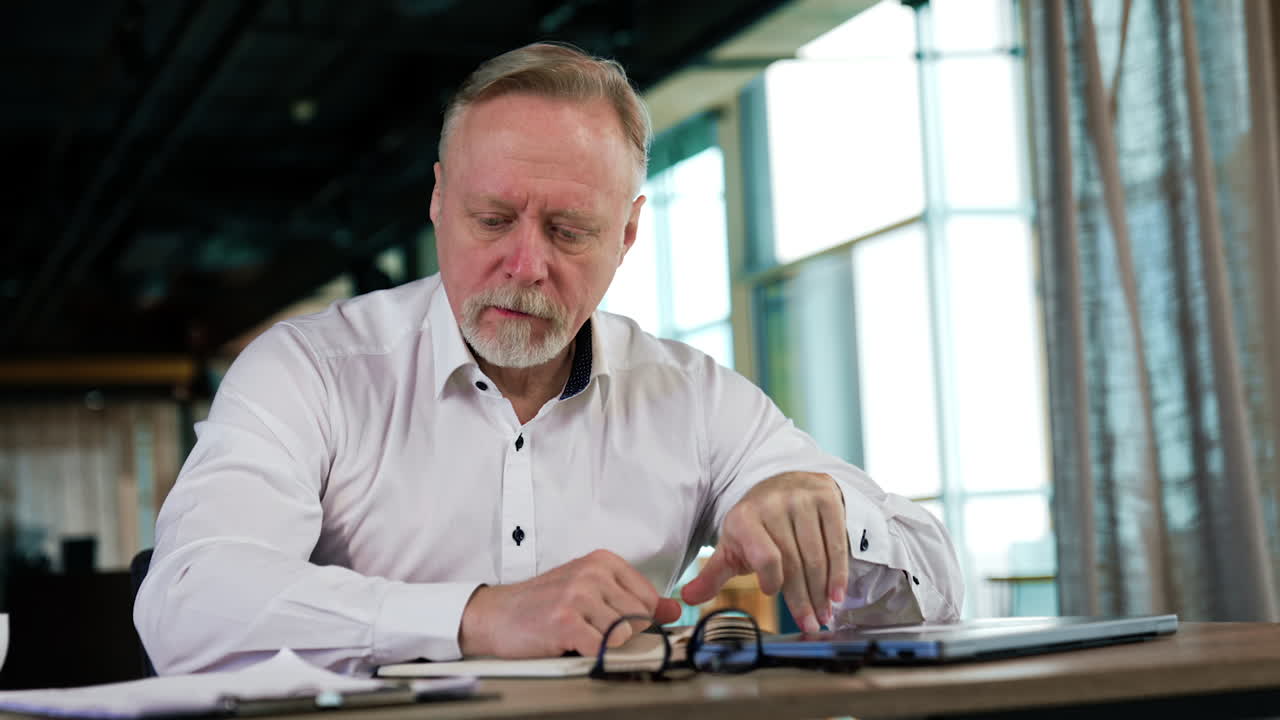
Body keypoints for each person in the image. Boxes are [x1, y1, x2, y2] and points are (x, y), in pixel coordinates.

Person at [134, 42, 963, 676]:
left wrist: (819, 513)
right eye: (493, 219)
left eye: (568, 232)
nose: (525, 264)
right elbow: (186, 604)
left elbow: (938, 582)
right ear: (436, 200)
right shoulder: (310, 372)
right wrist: (475, 618)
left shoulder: (690, 397)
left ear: (629, 235)